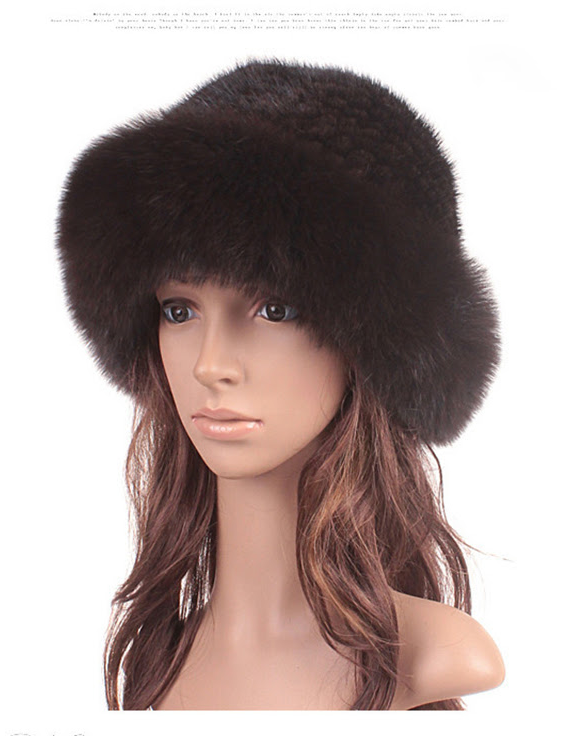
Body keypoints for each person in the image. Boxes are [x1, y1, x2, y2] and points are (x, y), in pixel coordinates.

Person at [55, 58, 505, 710]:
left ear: (371, 343)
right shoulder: (158, 655)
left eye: (275, 309)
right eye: (179, 311)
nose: (211, 364)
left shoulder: (438, 654)